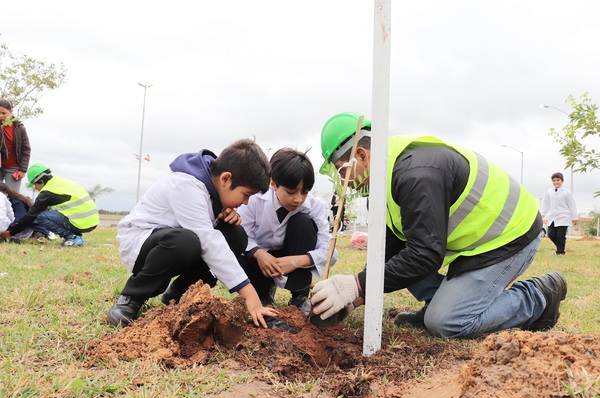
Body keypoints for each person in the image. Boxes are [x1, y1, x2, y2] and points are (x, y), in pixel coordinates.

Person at [310, 112, 567, 339]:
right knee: (404, 265)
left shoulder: (415, 175)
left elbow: (425, 255)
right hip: (477, 242)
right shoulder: (386, 179)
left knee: (446, 323)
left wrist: (356, 284)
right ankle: (438, 302)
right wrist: (356, 296)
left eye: (342, 172)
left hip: (510, 236)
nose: (343, 183)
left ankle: (537, 297)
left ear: (361, 155)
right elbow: (391, 249)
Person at [107, 138, 279, 329]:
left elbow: (209, 233)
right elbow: (208, 240)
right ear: (225, 178)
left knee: (236, 235)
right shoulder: (186, 185)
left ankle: (179, 292)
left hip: (175, 240)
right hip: (142, 242)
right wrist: (250, 294)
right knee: (186, 242)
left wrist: (222, 214)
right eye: (246, 194)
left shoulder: (213, 190)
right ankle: (132, 296)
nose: (246, 202)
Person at [237, 148, 336, 315]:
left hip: (292, 252)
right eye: (290, 192)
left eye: (304, 192)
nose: (298, 199)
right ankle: (262, 294)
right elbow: (241, 235)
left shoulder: (315, 206)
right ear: (273, 184)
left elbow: (330, 251)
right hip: (259, 260)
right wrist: (258, 253)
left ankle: (300, 297)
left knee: (304, 223)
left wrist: (299, 260)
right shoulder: (254, 200)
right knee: (243, 250)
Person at [0, 164, 98, 246]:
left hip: (82, 222)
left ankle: (72, 237)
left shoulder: (47, 193)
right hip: (91, 221)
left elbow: (30, 216)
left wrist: (11, 232)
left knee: (39, 217)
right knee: (44, 214)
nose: (36, 188)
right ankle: (75, 236)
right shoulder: (59, 181)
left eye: (35, 184)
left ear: (41, 181)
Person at [540, 172, 578, 255]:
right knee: (551, 234)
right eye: (554, 180)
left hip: (564, 216)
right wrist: (542, 214)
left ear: (562, 181)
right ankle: (561, 247)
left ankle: (560, 252)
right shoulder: (549, 192)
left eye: (558, 180)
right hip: (553, 217)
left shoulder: (567, 192)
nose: (556, 182)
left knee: (560, 235)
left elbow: (572, 205)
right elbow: (546, 204)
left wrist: (574, 218)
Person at [0, 99, 31, 192]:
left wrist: (23, 170)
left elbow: (26, 150)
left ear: (11, 111)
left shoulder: (19, 128)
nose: (1, 116)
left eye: (3, 113)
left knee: (13, 196)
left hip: (13, 168)